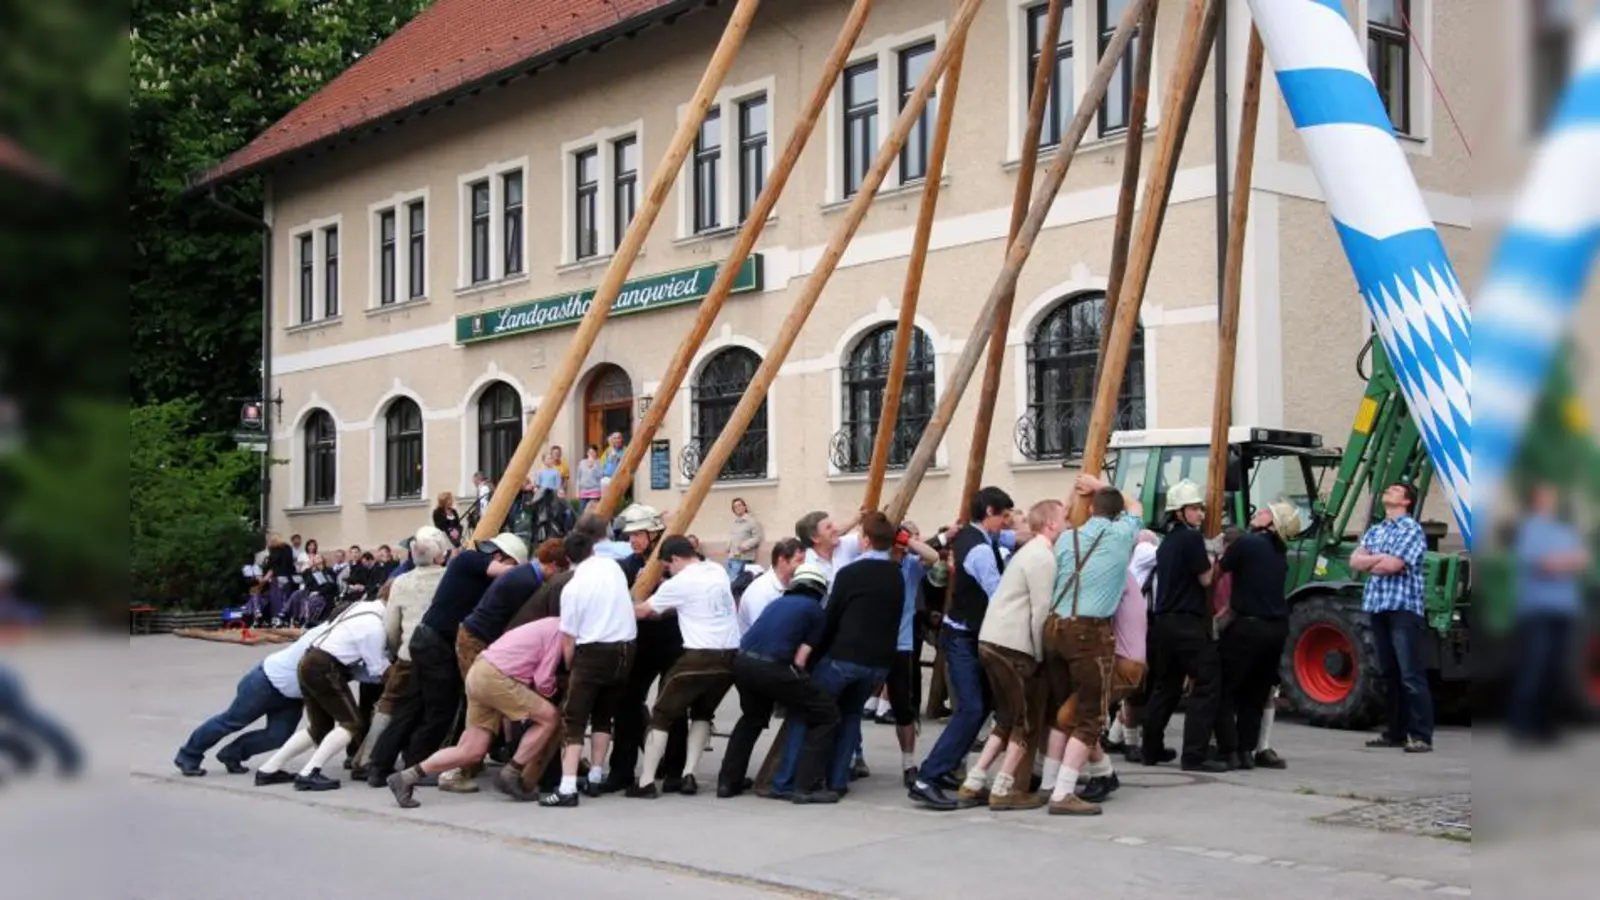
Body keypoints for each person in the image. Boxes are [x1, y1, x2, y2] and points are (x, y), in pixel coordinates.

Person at [774, 512, 903, 801]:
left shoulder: (849, 573)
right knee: (850, 716)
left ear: (866, 542)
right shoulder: (896, 573)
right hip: (878, 663)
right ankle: (837, 781)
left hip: (843, 657)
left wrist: (808, 650)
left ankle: (789, 781)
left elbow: (830, 617)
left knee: (807, 713)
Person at [956, 500, 1068, 812]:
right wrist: (1039, 653)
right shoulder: (1043, 557)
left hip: (992, 639)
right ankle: (1004, 788)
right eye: (1064, 518)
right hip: (1014, 645)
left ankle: (975, 780)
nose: (1069, 523)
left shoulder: (1027, 552)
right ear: (1051, 525)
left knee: (1006, 717)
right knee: (1027, 719)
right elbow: (1040, 612)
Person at [909, 486, 1015, 807]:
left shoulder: (977, 536)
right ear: (989, 514)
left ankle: (945, 769)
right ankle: (927, 777)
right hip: (963, 638)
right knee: (970, 708)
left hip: (966, 636)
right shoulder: (980, 550)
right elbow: (998, 596)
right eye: (1004, 516)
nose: (1007, 524)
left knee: (979, 707)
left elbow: (1013, 539)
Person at [388, 617, 565, 807]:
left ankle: (406, 777)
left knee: (472, 750)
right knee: (550, 717)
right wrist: (553, 692)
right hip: (498, 677)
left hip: (480, 671)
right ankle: (512, 773)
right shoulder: (560, 630)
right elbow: (543, 679)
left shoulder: (542, 625)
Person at [404, 533, 527, 790]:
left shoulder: (483, 579)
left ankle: (405, 764)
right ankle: (426, 766)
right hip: (436, 641)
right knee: (447, 708)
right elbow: (503, 573)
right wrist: (530, 571)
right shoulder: (470, 560)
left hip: (439, 641)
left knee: (435, 706)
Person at [627, 536, 742, 798]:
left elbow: (644, 611)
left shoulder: (679, 582)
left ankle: (646, 782)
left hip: (698, 655)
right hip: (730, 655)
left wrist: (623, 603)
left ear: (676, 559)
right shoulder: (717, 570)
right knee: (703, 713)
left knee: (662, 715)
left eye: (668, 566)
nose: (669, 570)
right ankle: (689, 774)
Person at [717, 563, 838, 800]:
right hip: (773, 667)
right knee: (827, 714)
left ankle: (728, 782)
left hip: (741, 662)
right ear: (819, 590)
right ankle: (806, 787)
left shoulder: (776, 603)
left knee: (751, 719)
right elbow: (801, 660)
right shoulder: (815, 611)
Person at [540, 531, 638, 807]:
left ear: (568, 557)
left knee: (574, 719)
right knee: (604, 714)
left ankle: (568, 786)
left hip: (593, 651)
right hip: (626, 648)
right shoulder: (613, 567)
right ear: (594, 550)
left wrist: (570, 667)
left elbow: (568, 637)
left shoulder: (573, 587)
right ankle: (596, 775)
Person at [253, 599, 390, 791]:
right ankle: (309, 773)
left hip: (309, 660)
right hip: (325, 668)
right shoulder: (374, 626)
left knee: (319, 727)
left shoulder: (360, 606)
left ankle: (268, 769)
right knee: (352, 723)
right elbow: (377, 669)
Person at [1138, 479, 1226, 772]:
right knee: (1208, 683)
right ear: (1180, 512)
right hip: (1186, 624)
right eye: (1194, 508)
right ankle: (1194, 755)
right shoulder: (1190, 539)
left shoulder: (1166, 543)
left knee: (1167, 686)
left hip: (1163, 624)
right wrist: (1213, 554)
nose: (1201, 513)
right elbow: (1204, 579)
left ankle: (1149, 749)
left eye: (1200, 508)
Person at [603, 504, 690, 794]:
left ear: (653, 533)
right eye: (630, 535)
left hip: (672, 643)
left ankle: (675, 772)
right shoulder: (627, 565)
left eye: (638, 534)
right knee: (627, 705)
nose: (633, 540)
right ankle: (621, 771)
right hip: (640, 644)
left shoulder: (676, 564)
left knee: (673, 707)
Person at [174, 621, 331, 777]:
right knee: (231, 722)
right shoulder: (327, 634)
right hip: (265, 681)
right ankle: (188, 755)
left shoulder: (339, 635)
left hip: (293, 695)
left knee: (278, 736)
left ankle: (232, 754)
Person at [359, 529, 449, 785]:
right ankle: (416, 765)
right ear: (439, 555)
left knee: (401, 711)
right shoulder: (447, 578)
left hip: (408, 654)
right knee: (436, 712)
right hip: (438, 655)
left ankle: (376, 765)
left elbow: (390, 625)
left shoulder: (401, 582)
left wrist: (398, 649)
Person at [1215, 503, 1300, 770]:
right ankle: (1247, 750)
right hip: (1276, 629)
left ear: (1272, 523)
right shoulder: (1279, 551)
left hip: (1247, 627)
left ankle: (1228, 750)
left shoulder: (1247, 543)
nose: (1258, 512)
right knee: (1256, 692)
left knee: (1226, 690)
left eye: (1265, 512)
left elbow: (1217, 572)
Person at [1351, 482, 1435, 753]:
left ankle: (1421, 734)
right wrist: (1379, 559)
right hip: (1378, 606)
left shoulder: (1411, 529)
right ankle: (1395, 732)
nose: (1388, 491)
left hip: (1403, 608)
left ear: (1407, 501)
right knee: (1388, 673)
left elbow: (1395, 565)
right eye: (1387, 489)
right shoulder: (1377, 529)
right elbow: (1354, 561)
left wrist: (1373, 561)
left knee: (1410, 673)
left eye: (1395, 490)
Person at [1509, 482, 1590, 744]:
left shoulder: (1564, 530)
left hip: (1564, 608)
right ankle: (1522, 727)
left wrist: (1562, 561)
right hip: (1538, 609)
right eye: (1544, 497)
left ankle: (1547, 728)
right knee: (1535, 667)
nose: (1549, 501)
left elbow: (1582, 562)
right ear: (1535, 500)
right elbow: (1543, 564)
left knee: (1556, 669)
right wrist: (1565, 561)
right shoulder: (1530, 530)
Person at [736, 538, 805, 634]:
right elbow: (763, 632)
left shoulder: (794, 585)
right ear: (782, 560)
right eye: (799, 561)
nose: (804, 566)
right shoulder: (760, 592)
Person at [795, 508, 864, 587]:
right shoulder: (806, 562)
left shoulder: (846, 543)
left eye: (833, 524)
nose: (836, 528)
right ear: (815, 538)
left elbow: (871, 537)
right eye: (829, 527)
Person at [726, 497, 764, 581]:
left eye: (739, 505)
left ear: (744, 507)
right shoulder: (734, 522)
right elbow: (733, 537)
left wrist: (745, 545)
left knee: (733, 581)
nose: (738, 508)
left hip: (743, 558)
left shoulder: (751, 521)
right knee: (728, 581)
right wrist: (728, 547)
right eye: (735, 507)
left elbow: (757, 537)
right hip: (732, 557)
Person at [576, 445, 604, 510]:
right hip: (583, 492)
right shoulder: (582, 463)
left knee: (593, 512)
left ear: (596, 453)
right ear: (587, 453)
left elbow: (600, 476)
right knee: (582, 512)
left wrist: (593, 467)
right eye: (589, 452)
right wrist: (577, 491)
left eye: (593, 452)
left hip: (595, 491)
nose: (591, 454)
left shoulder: (599, 462)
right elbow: (578, 478)